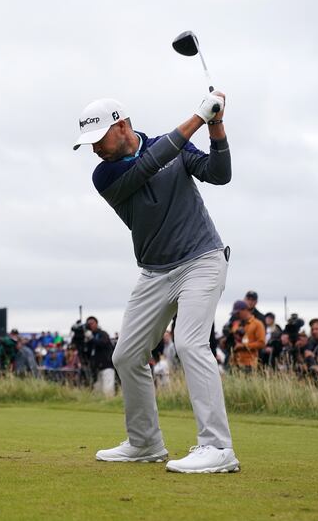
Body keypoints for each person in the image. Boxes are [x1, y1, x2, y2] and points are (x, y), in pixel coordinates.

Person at [74, 92, 240, 473]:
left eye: (99, 139)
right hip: (154, 272)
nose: (95, 150)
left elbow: (220, 174)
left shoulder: (175, 148)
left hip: (202, 259)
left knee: (190, 342)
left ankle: (218, 447)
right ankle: (145, 443)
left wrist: (215, 124)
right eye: (90, 144)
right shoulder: (105, 174)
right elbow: (151, 162)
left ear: (122, 125)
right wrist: (198, 117)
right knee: (126, 355)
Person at [228, 301, 266, 372]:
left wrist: (244, 346)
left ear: (245, 310)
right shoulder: (236, 324)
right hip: (234, 362)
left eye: (237, 313)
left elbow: (262, 343)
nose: (236, 315)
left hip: (249, 364)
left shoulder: (257, 324)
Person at [85, 316, 115, 397]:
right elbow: (87, 353)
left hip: (106, 366)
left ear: (96, 324)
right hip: (96, 368)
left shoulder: (103, 334)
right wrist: (87, 341)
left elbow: (102, 343)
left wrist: (91, 338)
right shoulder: (88, 337)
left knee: (107, 390)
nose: (90, 325)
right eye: (89, 324)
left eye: (92, 323)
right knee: (97, 392)